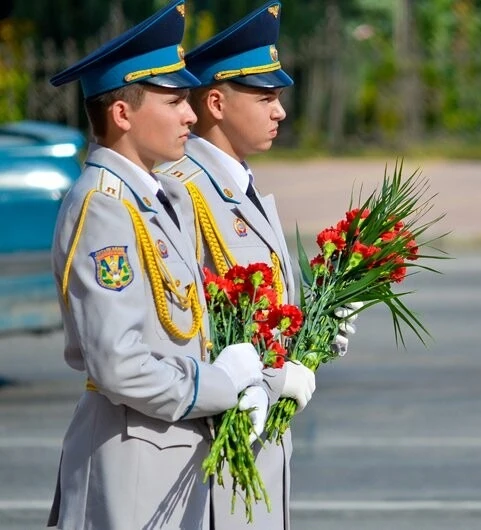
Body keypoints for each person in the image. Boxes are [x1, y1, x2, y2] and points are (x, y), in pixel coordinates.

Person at [46, 1, 267, 528]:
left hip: (169, 451)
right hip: (132, 460)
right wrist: (220, 385)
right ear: (122, 114)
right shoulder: (103, 206)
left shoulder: (155, 196)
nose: (191, 115)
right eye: (174, 102)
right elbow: (118, 363)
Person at [154, 2, 358, 527]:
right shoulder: (182, 189)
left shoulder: (239, 187)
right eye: (266, 97)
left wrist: (313, 327)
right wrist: (270, 382)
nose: (280, 111)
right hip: (210, 445)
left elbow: (257, 312)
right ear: (216, 103)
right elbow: (185, 325)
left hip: (257, 442)